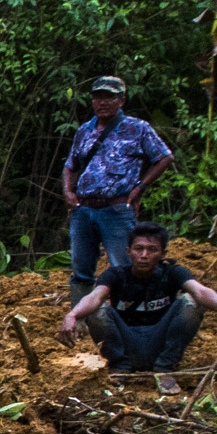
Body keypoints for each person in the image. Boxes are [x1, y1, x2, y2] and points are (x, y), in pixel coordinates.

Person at [59, 222, 217, 393]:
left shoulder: (173, 272)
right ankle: (119, 367)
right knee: (97, 310)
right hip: (125, 341)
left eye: (152, 249)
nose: (144, 255)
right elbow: (95, 296)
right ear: (128, 251)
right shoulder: (115, 274)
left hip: (160, 342)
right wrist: (73, 314)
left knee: (191, 301)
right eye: (139, 249)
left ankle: (164, 368)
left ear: (163, 253)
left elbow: (200, 291)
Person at [60, 77, 175, 302]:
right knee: (81, 269)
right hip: (83, 209)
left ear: (121, 101)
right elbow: (70, 165)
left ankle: (131, 316)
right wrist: (68, 191)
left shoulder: (137, 128)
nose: (102, 102)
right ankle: (79, 320)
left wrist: (141, 187)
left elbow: (164, 157)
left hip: (117, 209)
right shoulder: (85, 130)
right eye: (97, 97)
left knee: (125, 266)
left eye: (109, 97)